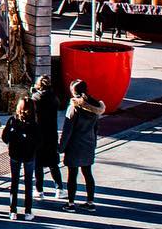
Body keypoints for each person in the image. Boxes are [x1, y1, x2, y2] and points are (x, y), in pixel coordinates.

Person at [60, 79, 105, 212]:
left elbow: (67, 130)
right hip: (88, 144)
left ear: (73, 91)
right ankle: (90, 202)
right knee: (88, 173)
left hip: (74, 145)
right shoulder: (95, 107)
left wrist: (61, 147)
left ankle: (71, 203)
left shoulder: (74, 107)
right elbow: (96, 128)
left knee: (72, 174)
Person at [1, 97, 39, 221]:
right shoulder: (34, 123)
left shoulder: (13, 121)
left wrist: (10, 144)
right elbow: (40, 140)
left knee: (14, 182)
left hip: (15, 154)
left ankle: (13, 210)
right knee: (28, 183)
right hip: (29, 155)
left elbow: (4, 136)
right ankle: (28, 211)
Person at [28, 76, 65, 199]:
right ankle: (59, 188)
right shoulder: (54, 98)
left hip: (38, 133)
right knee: (53, 163)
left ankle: (39, 190)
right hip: (51, 133)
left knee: (38, 164)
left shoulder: (35, 98)